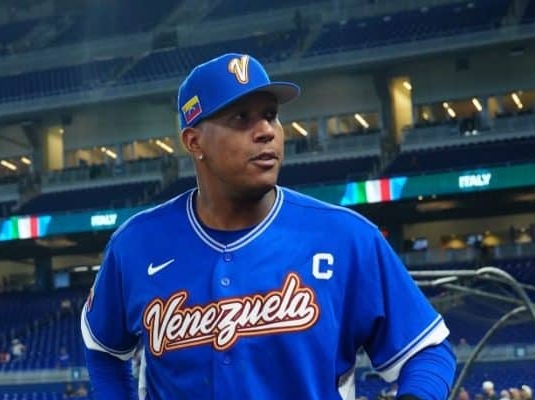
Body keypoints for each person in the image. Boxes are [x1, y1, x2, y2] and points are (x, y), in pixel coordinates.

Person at [82, 53, 455, 399]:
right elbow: (104, 351)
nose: (266, 131)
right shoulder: (135, 244)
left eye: (271, 115)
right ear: (194, 142)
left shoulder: (347, 238)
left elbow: (427, 351)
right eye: (240, 118)